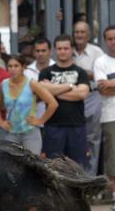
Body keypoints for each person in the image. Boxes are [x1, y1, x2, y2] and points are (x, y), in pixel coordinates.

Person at [37, 34, 89, 166]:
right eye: (59, 49)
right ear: (55, 50)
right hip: (53, 125)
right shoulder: (45, 72)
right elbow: (42, 94)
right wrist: (71, 87)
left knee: (77, 167)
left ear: (72, 49)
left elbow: (82, 94)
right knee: (53, 167)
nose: (62, 51)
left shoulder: (80, 72)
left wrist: (52, 90)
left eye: (66, 48)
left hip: (76, 124)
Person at [0, 55, 58, 154]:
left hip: (30, 133)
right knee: (11, 166)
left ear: (23, 67)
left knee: (31, 166)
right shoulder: (3, 84)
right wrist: (0, 122)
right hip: (11, 133)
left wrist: (40, 121)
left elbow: (53, 103)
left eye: (16, 66)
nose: (13, 69)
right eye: (10, 66)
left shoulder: (31, 84)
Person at [94, 25, 115, 211]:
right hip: (112, 116)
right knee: (113, 159)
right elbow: (103, 90)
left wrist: (114, 82)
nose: (114, 42)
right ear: (105, 41)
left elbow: (110, 86)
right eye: (110, 39)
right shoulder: (101, 62)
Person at [73, 21, 105, 176]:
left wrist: (78, 72)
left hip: (92, 96)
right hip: (71, 98)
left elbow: (100, 75)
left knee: (92, 139)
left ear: (88, 35)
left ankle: (90, 176)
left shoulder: (97, 52)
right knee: (75, 138)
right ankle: (77, 177)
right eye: (77, 32)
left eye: (82, 32)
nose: (79, 35)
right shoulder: (68, 50)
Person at [24, 37, 55, 123]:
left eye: (43, 51)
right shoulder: (27, 72)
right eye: (38, 51)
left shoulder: (58, 69)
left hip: (54, 120)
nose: (40, 54)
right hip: (33, 120)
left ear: (50, 51)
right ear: (33, 52)